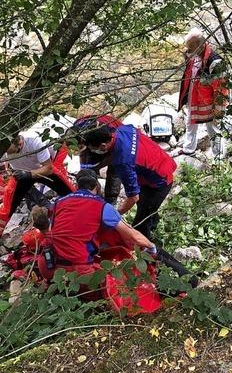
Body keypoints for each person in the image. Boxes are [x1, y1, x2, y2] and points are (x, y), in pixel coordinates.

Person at [45, 170, 157, 298]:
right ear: (97, 186)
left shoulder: (58, 202)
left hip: (52, 267)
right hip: (79, 271)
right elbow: (132, 235)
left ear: (77, 186)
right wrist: (151, 247)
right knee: (113, 295)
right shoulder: (101, 205)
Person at [82, 123, 177, 240]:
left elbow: (133, 197)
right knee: (145, 205)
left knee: (142, 220)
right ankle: (153, 221)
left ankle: (145, 248)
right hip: (162, 161)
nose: (93, 151)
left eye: (93, 148)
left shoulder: (123, 162)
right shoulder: (124, 129)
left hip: (159, 181)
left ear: (103, 146)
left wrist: (114, 215)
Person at [0, 131, 75, 243]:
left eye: (12, 152)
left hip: (42, 170)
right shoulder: (3, 148)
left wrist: (29, 174)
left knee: (72, 193)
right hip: (20, 174)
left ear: (20, 144)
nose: (9, 155)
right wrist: (10, 172)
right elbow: (4, 166)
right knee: (7, 207)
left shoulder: (34, 142)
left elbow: (48, 168)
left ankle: (79, 217)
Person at [174, 28, 229, 158]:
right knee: (190, 124)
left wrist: (219, 109)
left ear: (200, 45)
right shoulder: (195, 56)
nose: (188, 52)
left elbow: (221, 89)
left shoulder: (215, 62)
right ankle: (188, 148)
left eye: (190, 49)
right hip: (195, 99)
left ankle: (219, 156)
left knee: (213, 129)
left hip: (208, 103)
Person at [70, 114, 123, 204]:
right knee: (88, 174)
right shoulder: (76, 129)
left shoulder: (111, 131)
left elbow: (115, 155)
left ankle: (111, 201)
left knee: (115, 170)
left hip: (115, 144)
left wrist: (97, 167)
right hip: (94, 141)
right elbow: (83, 153)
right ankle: (91, 198)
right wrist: (85, 171)